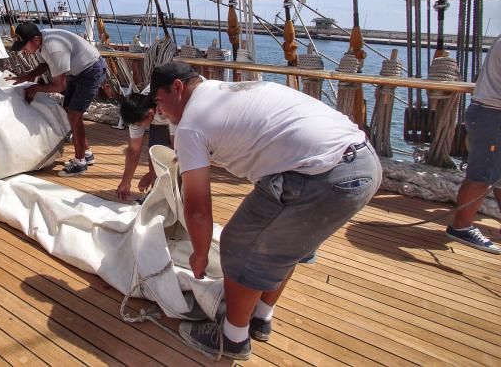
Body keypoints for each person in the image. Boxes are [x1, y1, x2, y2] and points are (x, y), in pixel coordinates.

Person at [149, 62, 381, 360]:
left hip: (322, 174)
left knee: (238, 246)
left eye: (159, 101)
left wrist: (201, 254)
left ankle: (231, 338)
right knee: (285, 249)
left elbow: (197, 209)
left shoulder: (191, 125)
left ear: (178, 88)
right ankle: (259, 318)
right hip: (364, 164)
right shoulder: (225, 90)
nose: (160, 111)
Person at [8, 22, 106, 177]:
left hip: (91, 70)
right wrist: (28, 76)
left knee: (74, 114)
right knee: (70, 110)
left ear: (35, 40)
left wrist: (35, 89)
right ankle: (86, 153)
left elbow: (59, 86)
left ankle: (80, 162)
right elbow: (45, 64)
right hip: (78, 71)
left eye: (24, 47)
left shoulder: (54, 47)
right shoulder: (42, 42)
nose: (24, 52)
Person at [446, 34, 501, 254]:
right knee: (482, 176)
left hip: (489, 112)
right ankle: (461, 227)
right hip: (493, 116)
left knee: (497, 176)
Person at [116, 87, 175, 201]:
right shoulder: (136, 111)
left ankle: (176, 197)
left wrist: (151, 174)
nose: (138, 127)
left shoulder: (169, 106)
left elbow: (177, 151)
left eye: (139, 124)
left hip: (184, 110)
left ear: (151, 114)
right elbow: (134, 150)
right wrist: (125, 181)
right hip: (160, 116)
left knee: (180, 161)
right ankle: (156, 194)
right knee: (154, 153)